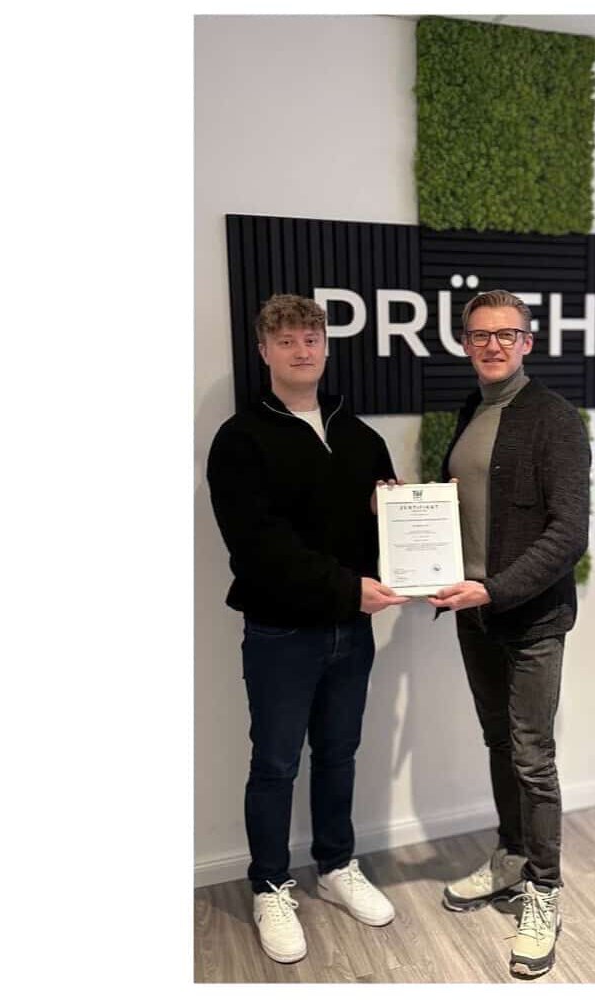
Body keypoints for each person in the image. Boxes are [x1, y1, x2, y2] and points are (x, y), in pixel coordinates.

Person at [206, 293, 408, 964]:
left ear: (326, 347)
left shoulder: (362, 436)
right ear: (264, 350)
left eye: (311, 339)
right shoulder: (240, 440)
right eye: (287, 340)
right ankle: (269, 885)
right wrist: (349, 587)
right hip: (281, 635)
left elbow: (387, 529)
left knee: (339, 754)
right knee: (275, 763)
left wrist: (398, 526)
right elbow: (257, 547)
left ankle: (336, 865)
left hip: (352, 632)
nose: (301, 350)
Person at [428, 289, 591, 979]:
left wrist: (495, 588)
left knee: (532, 756)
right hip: (474, 615)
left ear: (528, 341)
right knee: (500, 742)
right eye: (479, 335)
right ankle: (511, 855)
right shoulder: (471, 409)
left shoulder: (555, 419)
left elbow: (569, 533)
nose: (492, 345)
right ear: (465, 343)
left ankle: (543, 891)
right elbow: (463, 506)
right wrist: (407, 506)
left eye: (506, 334)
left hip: (529, 619)